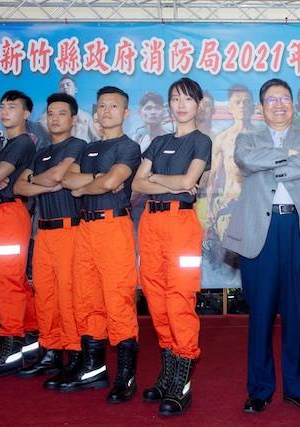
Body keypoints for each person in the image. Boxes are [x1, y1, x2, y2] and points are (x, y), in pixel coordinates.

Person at [222, 78, 300, 413]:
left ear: (292, 104)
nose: (279, 104)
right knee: (261, 314)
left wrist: (271, 161)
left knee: (296, 312)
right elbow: (247, 161)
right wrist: (289, 157)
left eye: (284, 98)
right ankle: (259, 390)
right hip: (261, 231)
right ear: (261, 107)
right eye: (272, 100)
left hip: (298, 228)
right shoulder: (247, 138)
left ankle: (298, 388)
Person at [132, 77, 211, 416]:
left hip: (181, 224)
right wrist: (169, 183)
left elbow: (188, 181)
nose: (181, 105)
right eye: (176, 99)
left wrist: (157, 179)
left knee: (180, 298)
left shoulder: (201, 141)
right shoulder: (158, 141)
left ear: (199, 105)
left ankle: (182, 379)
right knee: (155, 296)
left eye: (188, 99)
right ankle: (168, 371)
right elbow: (137, 183)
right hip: (151, 223)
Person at [61, 86, 140, 403]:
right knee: (86, 298)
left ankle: (126, 376)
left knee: (117, 299)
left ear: (126, 113)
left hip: (113, 227)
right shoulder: (88, 148)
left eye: (114, 106)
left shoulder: (129, 147)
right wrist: (96, 182)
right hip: (85, 229)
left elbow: (111, 181)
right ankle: (94, 369)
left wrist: (86, 186)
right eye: (102, 106)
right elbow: (68, 179)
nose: (107, 111)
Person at [13, 93, 87, 385]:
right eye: (51, 113)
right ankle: (51, 352)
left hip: (70, 230)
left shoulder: (78, 146)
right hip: (43, 233)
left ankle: (75, 354)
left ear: (73, 118)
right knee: (44, 294)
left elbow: (59, 175)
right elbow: (20, 187)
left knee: (69, 296)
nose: (55, 118)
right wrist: (44, 183)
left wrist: (38, 181)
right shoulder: (40, 152)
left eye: (61, 113)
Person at [0, 90, 39, 379]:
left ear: (26, 113)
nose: (4, 111)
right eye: (2, 106)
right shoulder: (9, 144)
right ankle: (32, 337)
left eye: (12, 107)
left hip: (10, 213)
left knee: (7, 281)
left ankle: (12, 343)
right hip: (4, 214)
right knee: (16, 280)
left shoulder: (22, 142)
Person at [207, 85, 255, 235]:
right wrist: (209, 208)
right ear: (230, 107)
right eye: (237, 102)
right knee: (227, 247)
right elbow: (212, 177)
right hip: (229, 203)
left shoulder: (262, 138)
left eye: (246, 102)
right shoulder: (222, 138)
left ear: (252, 107)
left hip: (255, 205)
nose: (242, 106)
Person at [39, 75, 99, 143]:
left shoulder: (86, 116)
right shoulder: (48, 115)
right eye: (62, 86)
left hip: (83, 148)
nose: (65, 87)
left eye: (68, 84)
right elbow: (40, 127)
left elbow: (96, 138)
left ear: (75, 89)